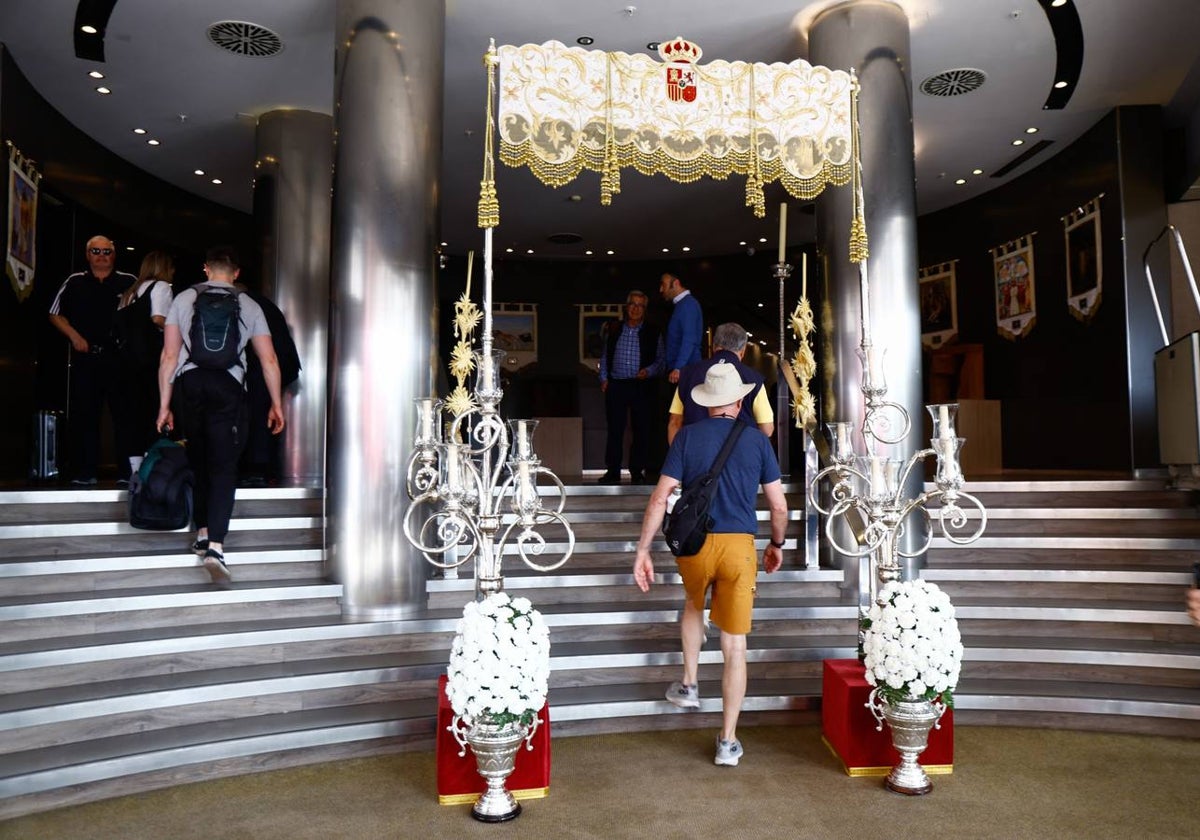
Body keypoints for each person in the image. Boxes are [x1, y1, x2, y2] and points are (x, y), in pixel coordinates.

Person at [633, 361, 788, 767]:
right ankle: (727, 741)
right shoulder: (758, 442)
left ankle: (688, 683)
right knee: (734, 645)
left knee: (692, 603)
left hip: (696, 546)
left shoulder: (687, 437)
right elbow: (778, 506)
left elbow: (659, 498)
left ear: (707, 401)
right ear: (739, 401)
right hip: (739, 548)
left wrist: (642, 550)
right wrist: (776, 543)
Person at [157, 246, 285, 587]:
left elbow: (169, 356)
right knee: (224, 464)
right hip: (228, 386)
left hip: (190, 383)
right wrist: (276, 403)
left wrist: (164, 405)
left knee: (197, 460)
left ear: (205, 268)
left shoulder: (184, 298)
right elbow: (269, 359)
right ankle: (215, 546)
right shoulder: (249, 304)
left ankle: (201, 532)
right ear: (236, 273)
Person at [48, 235, 137, 485]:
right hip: (87, 358)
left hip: (120, 360)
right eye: (95, 251)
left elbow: (144, 316)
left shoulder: (129, 282)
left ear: (114, 254)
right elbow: (54, 313)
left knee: (125, 416)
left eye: (106, 251)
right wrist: (74, 336)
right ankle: (85, 472)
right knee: (85, 415)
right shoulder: (75, 281)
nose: (101, 255)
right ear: (87, 254)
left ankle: (127, 473)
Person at [114, 251, 175, 482]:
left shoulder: (129, 292)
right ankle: (151, 470)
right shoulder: (161, 287)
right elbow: (158, 318)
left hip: (125, 362)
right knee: (152, 414)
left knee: (129, 417)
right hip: (149, 361)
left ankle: (128, 469)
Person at [668, 322, 774, 445]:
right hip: (739, 456)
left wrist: (677, 456)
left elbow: (674, 422)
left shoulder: (687, 374)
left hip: (695, 453)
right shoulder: (754, 379)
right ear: (743, 351)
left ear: (714, 346)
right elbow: (767, 429)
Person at [598, 290, 664, 485]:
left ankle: (637, 472)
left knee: (641, 430)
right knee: (614, 430)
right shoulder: (615, 328)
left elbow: (662, 360)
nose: (636, 309)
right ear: (627, 307)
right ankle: (613, 472)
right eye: (633, 304)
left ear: (645, 309)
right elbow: (604, 356)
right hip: (616, 385)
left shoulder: (653, 332)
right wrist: (603, 378)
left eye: (640, 305)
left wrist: (649, 371)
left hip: (641, 386)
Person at [238, 284, 301, 486]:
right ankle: (260, 469)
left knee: (257, 415)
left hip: (264, 366)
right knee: (262, 414)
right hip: (281, 363)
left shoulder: (246, 305)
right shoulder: (264, 304)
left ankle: (255, 469)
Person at [659, 271, 702, 384]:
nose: (661, 290)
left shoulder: (688, 305)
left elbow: (689, 339)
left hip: (684, 372)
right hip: (683, 370)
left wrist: (678, 367)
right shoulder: (682, 305)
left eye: (663, 284)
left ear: (676, 283)